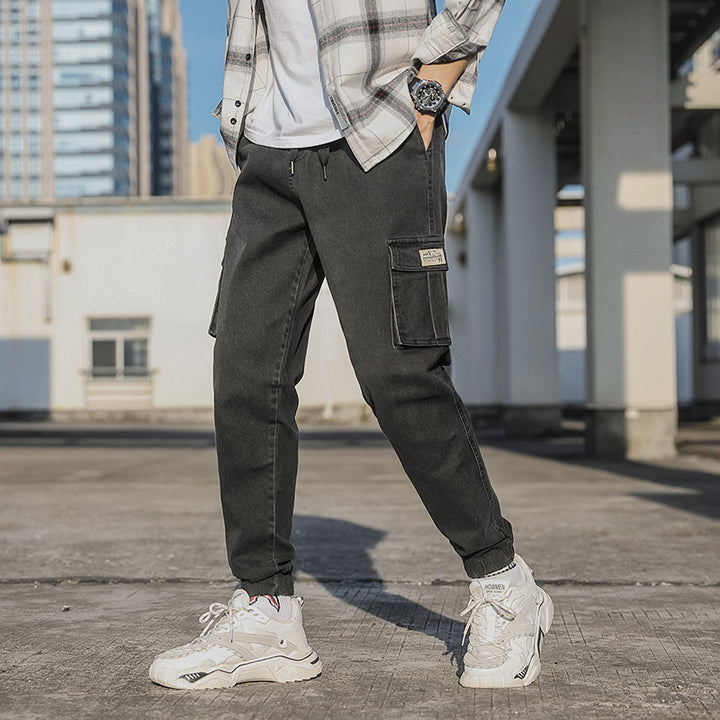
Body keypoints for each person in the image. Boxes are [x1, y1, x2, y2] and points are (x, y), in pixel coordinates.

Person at [149, 0, 553, 690]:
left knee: (398, 373)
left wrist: (434, 79)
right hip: (269, 151)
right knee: (245, 374)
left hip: (379, 133)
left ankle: (505, 587)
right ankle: (266, 612)